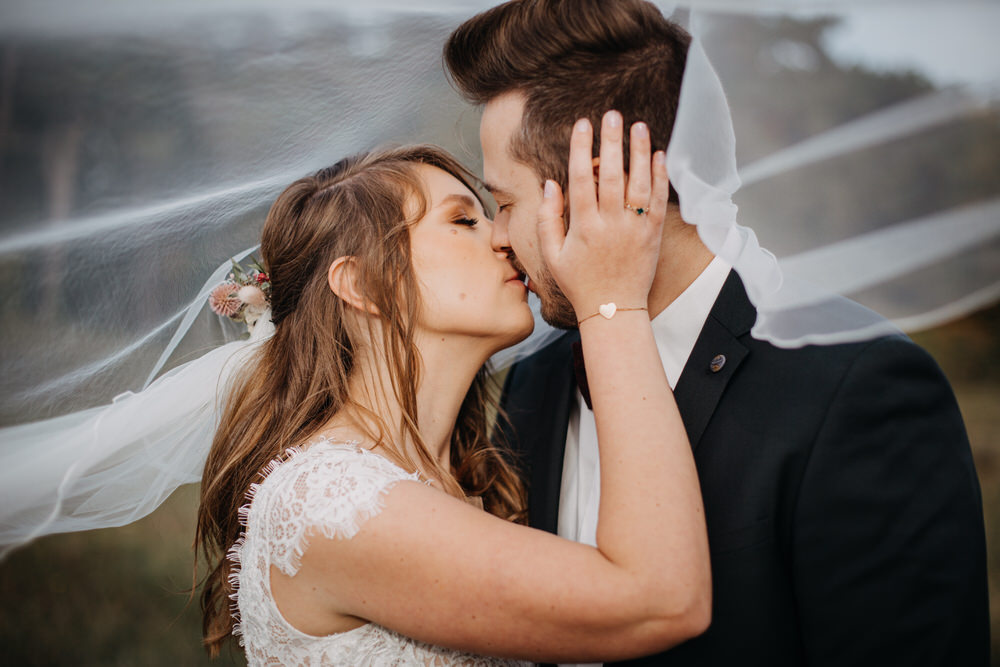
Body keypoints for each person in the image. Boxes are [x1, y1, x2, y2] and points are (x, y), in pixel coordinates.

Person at [444, 1, 991, 665]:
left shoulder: (858, 387)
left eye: (504, 204)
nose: (498, 238)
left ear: (602, 188)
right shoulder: (536, 380)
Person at [195, 141, 712, 665]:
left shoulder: (470, 477)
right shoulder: (331, 504)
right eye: (464, 221)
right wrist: (614, 299)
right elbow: (660, 600)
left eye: (493, 214)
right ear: (364, 283)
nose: (504, 238)